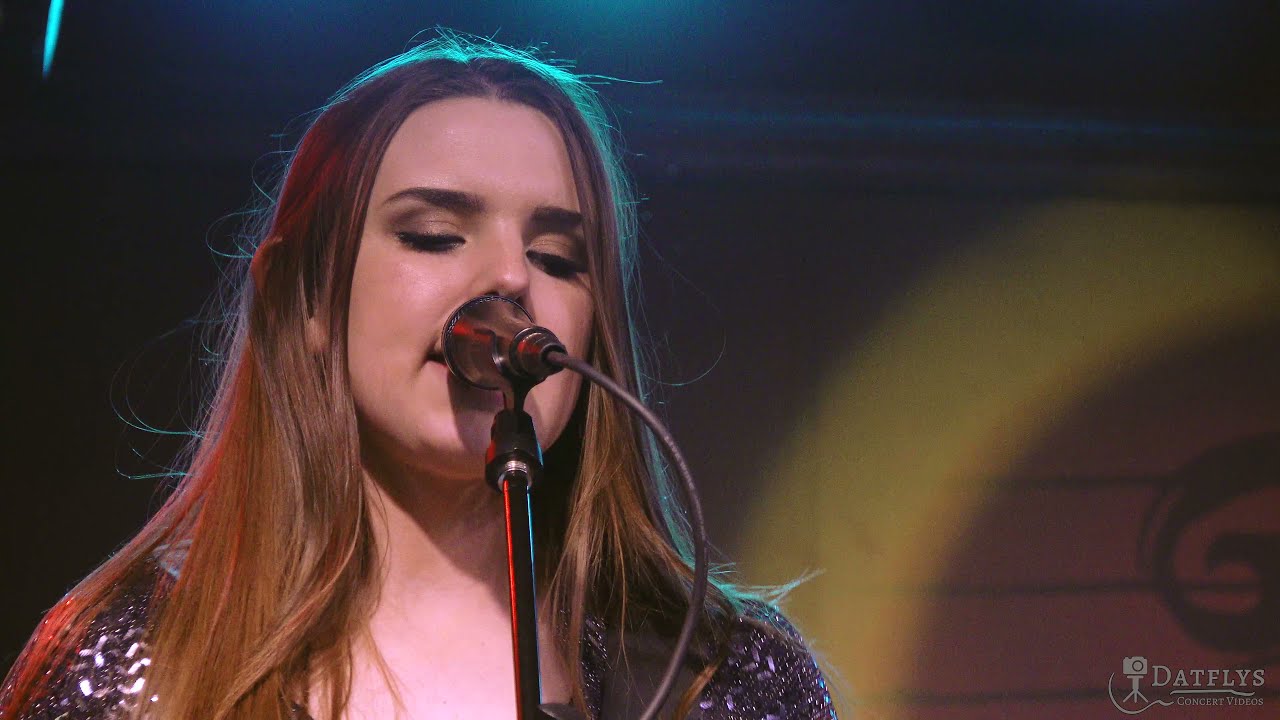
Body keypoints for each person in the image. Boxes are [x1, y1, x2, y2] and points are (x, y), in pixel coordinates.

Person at [1, 33, 837, 720]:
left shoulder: (723, 678)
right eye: (434, 235)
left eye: (557, 256)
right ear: (305, 299)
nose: (510, 277)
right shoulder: (135, 666)